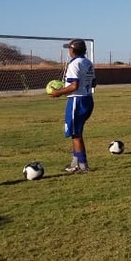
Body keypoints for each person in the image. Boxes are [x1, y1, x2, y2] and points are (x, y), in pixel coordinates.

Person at [49, 38, 96, 173]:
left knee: (76, 134)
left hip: (77, 100)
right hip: (88, 99)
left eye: (69, 49)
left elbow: (74, 85)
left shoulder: (74, 64)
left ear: (73, 50)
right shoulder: (88, 62)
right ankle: (75, 163)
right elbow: (94, 83)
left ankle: (83, 166)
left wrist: (58, 92)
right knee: (76, 132)